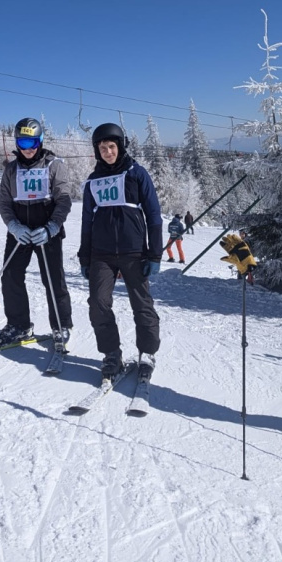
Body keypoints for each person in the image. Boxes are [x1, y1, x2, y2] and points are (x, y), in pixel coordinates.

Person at [78, 123, 162, 381]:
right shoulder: (93, 181)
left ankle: (147, 353)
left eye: (112, 147)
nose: (108, 152)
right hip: (101, 253)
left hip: (133, 252)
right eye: (102, 148)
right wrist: (85, 256)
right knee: (98, 304)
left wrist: (155, 254)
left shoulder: (136, 173)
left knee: (141, 304)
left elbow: (154, 215)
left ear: (120, 146)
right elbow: (86, 221)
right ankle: (111, 353)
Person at [0, 118, 73, 350]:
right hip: (20, 227)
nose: (27, 148)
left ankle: (61, 324)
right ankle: (19, 324)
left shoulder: (54, 165)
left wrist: (52, 227)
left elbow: (63, 200)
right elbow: (5, 202)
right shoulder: (11, 169)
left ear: (39, 141)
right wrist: (12, 226)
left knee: (52, 278)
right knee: (10, 276)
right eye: (22, 142)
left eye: (31, 142)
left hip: (46, 227)